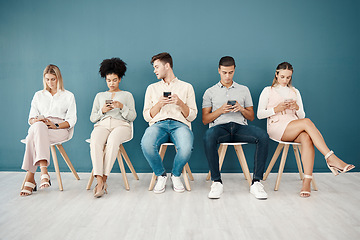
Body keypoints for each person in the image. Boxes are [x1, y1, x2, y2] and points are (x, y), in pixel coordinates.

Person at [257, 62, 355, 197]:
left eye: (288, 77)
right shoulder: (268, 90)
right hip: (277, 127)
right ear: (276, 74)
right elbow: (259, 114)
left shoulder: (295, 91)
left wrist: (296, 107)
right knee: (307, 123)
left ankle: (306, 181)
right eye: (283, 77)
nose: (285, 80)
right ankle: (330, 157)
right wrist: (276, 109)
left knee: (307, 137)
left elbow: (302, 115)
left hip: (294, 125)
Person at [202, 56, 269, 200]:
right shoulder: (210, 92)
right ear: (219, 70)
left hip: (240, 128)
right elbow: (205, 119)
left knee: (262, 135)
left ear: (234, 71)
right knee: (208, 136)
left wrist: (241, 109)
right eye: (224, 72)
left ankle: (256, 182)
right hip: (220, 129)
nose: (227, 76)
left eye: (230, 72)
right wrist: (220, 110)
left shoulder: (244, 90)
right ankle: (216, 181)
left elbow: (251, 116)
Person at [141, 52, 197, 194]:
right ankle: (161, 175)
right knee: (146, 144)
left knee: (186, 147)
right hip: (158, 125)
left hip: (180, 125)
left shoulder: (187, 87)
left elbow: (192, 116)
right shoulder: (151, 88)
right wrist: (159, 104)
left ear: (167, 66)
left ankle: (176, 175)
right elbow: (147, 116)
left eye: (157, 67)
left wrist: (180, 103)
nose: (155, 70)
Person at [20, 64, 77, 196]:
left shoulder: (68, 96)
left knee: (32, 139)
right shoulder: (38, 95)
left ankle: (30, 178)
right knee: (38, 127)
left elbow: (72, 120)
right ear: (44, 79)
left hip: (58, 129)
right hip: (40, 126)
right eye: (47, 79)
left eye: (53, 79)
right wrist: (38, 120)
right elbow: (30, 119)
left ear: (59, 78)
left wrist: (55, 125)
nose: (50, 82)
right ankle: (44, 171)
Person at [89, 58, 136, 198]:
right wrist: (102, 110)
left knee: (113, 141)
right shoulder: (99, 96)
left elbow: (132, 116)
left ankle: (103, 180)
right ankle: (99, 181)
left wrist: (121, 107)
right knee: (95, 141)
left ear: (120, 79)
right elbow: (92, 118)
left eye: (114, 80)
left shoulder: (127, 95)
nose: (111, 83)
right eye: (109, 80)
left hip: (121, 125)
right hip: (103, 124)